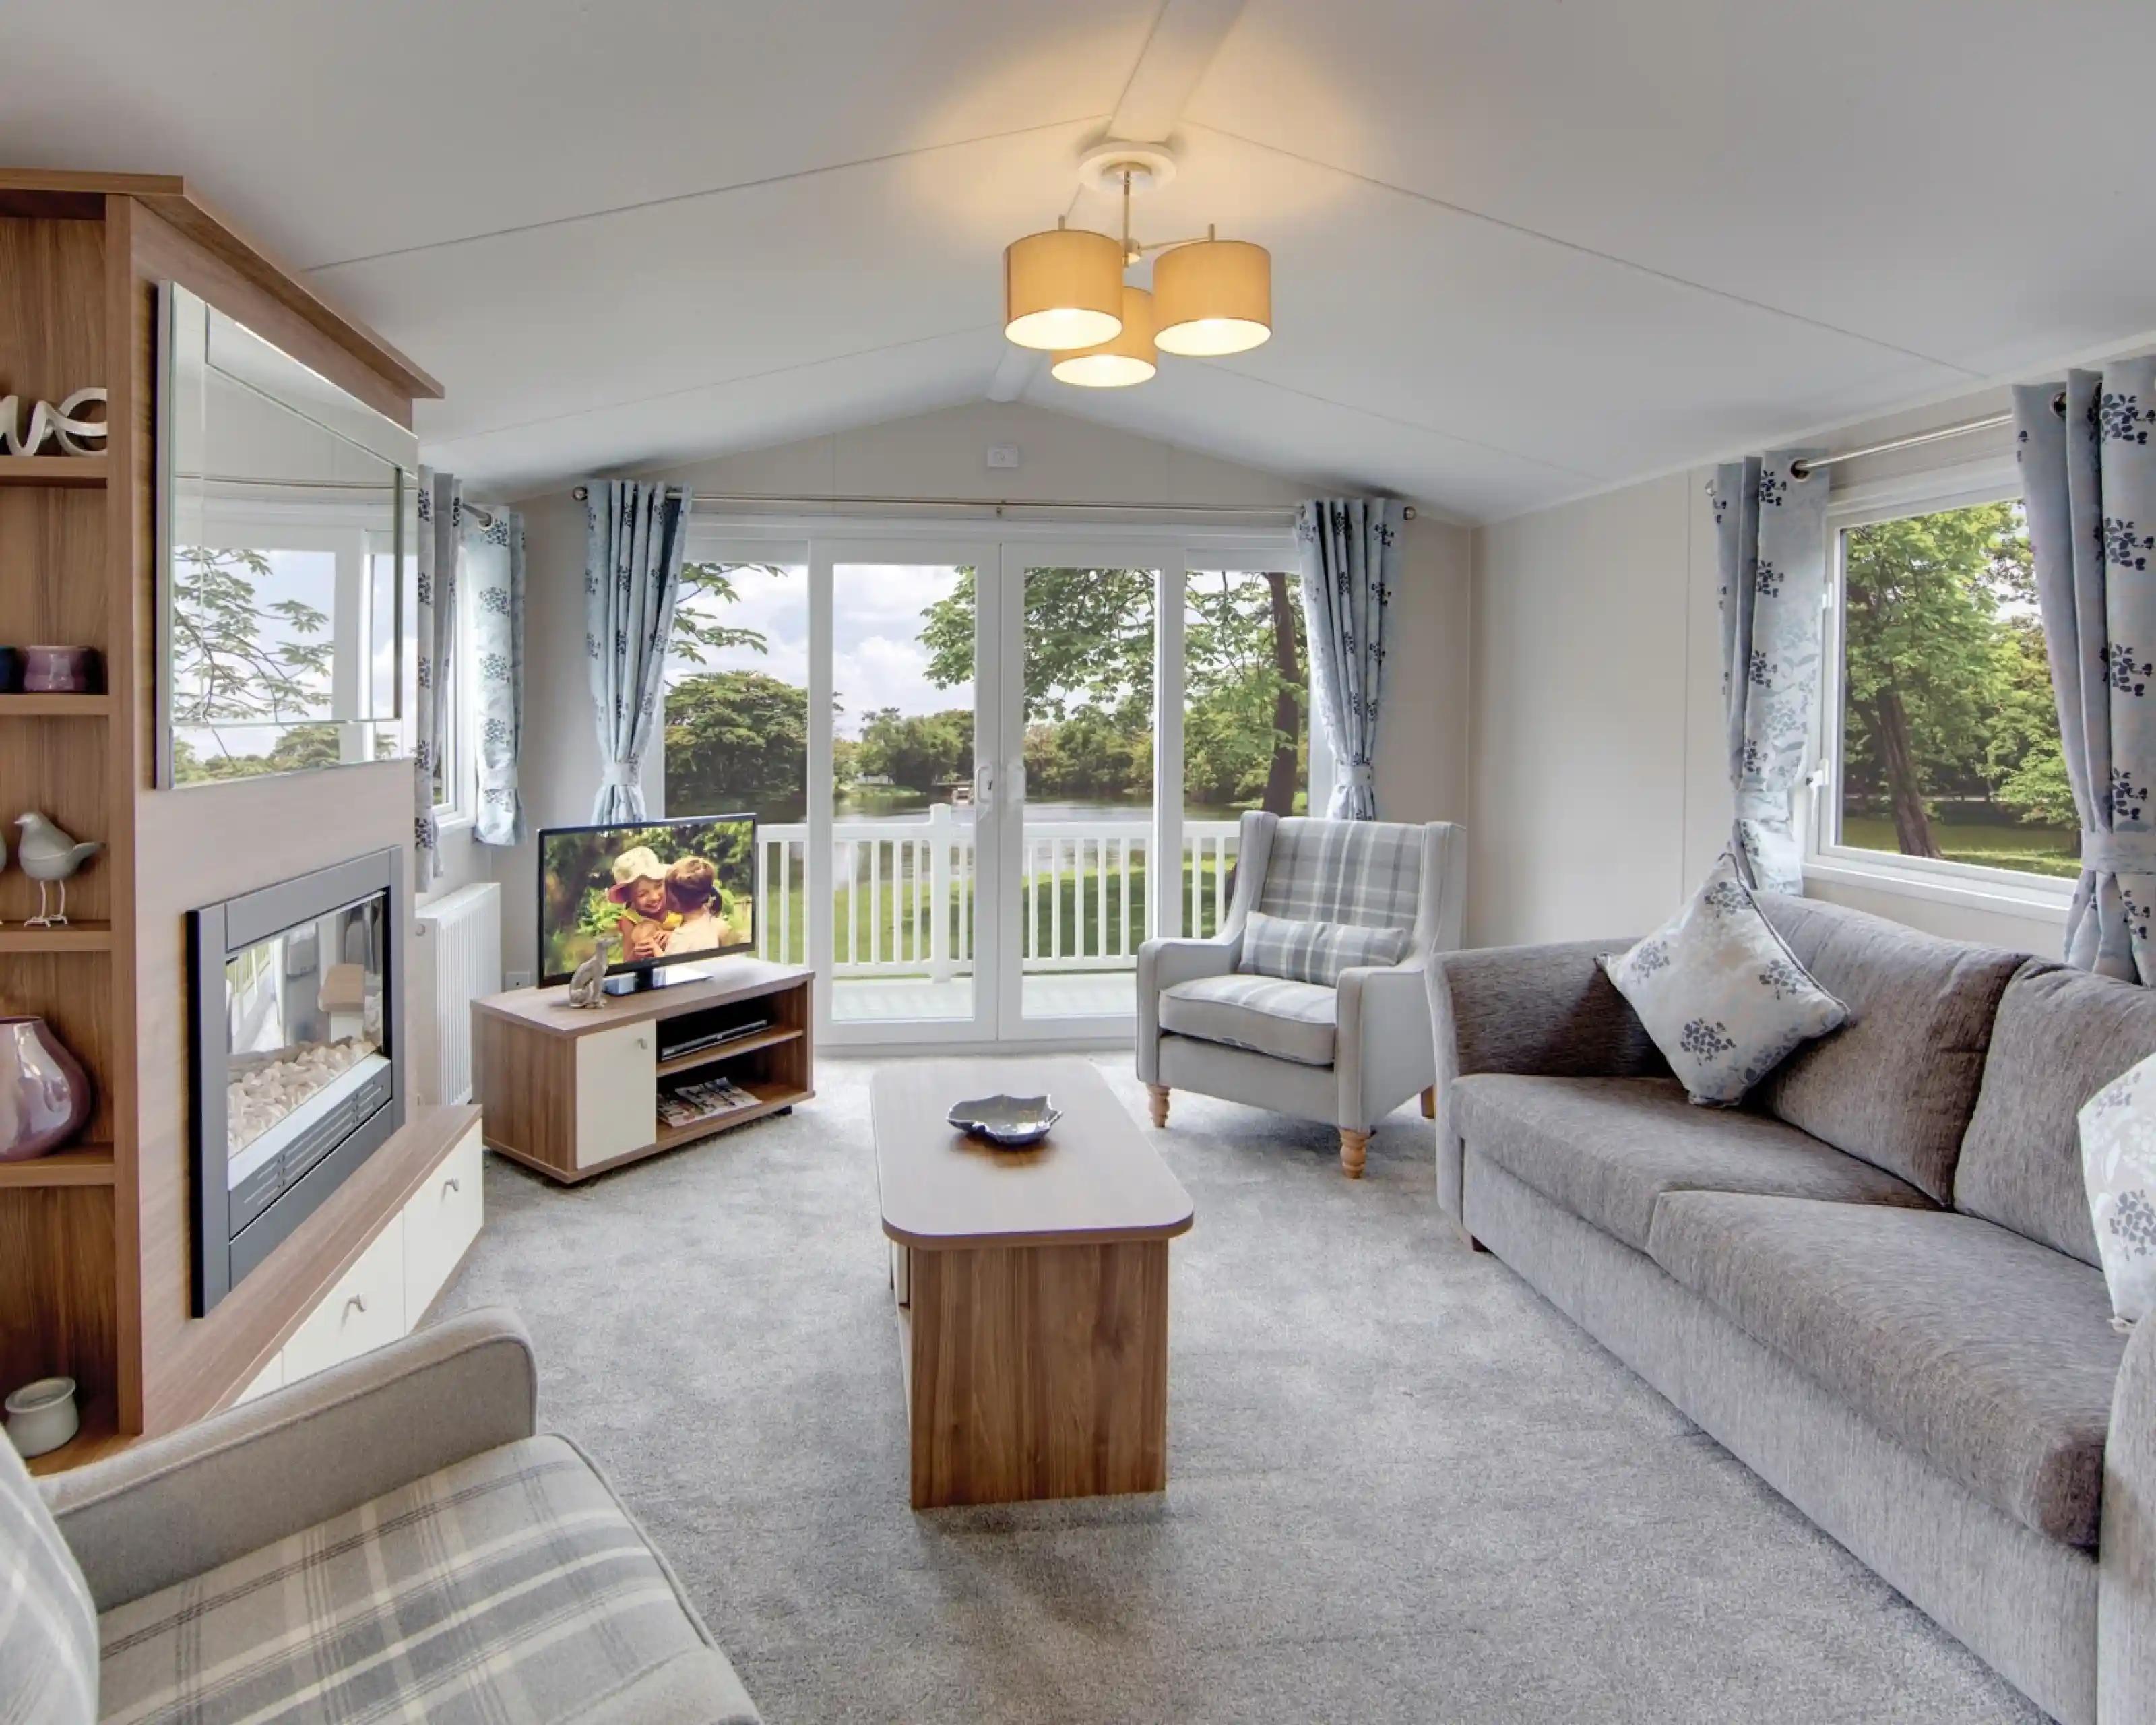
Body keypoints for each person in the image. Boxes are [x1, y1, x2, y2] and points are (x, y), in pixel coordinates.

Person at [606, 846, 678, 963]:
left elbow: (698, 931)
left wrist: (674, 937)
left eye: (658, 886)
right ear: (629, 896)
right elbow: (627, 962)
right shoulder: (630, 919)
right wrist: (636, 954)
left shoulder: (676, 903)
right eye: (642, 894)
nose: (654, 897)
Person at [662, 855, 725, 955]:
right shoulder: (712, 920)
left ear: (675, 899)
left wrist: (654, 948)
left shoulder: (681, 937)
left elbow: (667, 969)